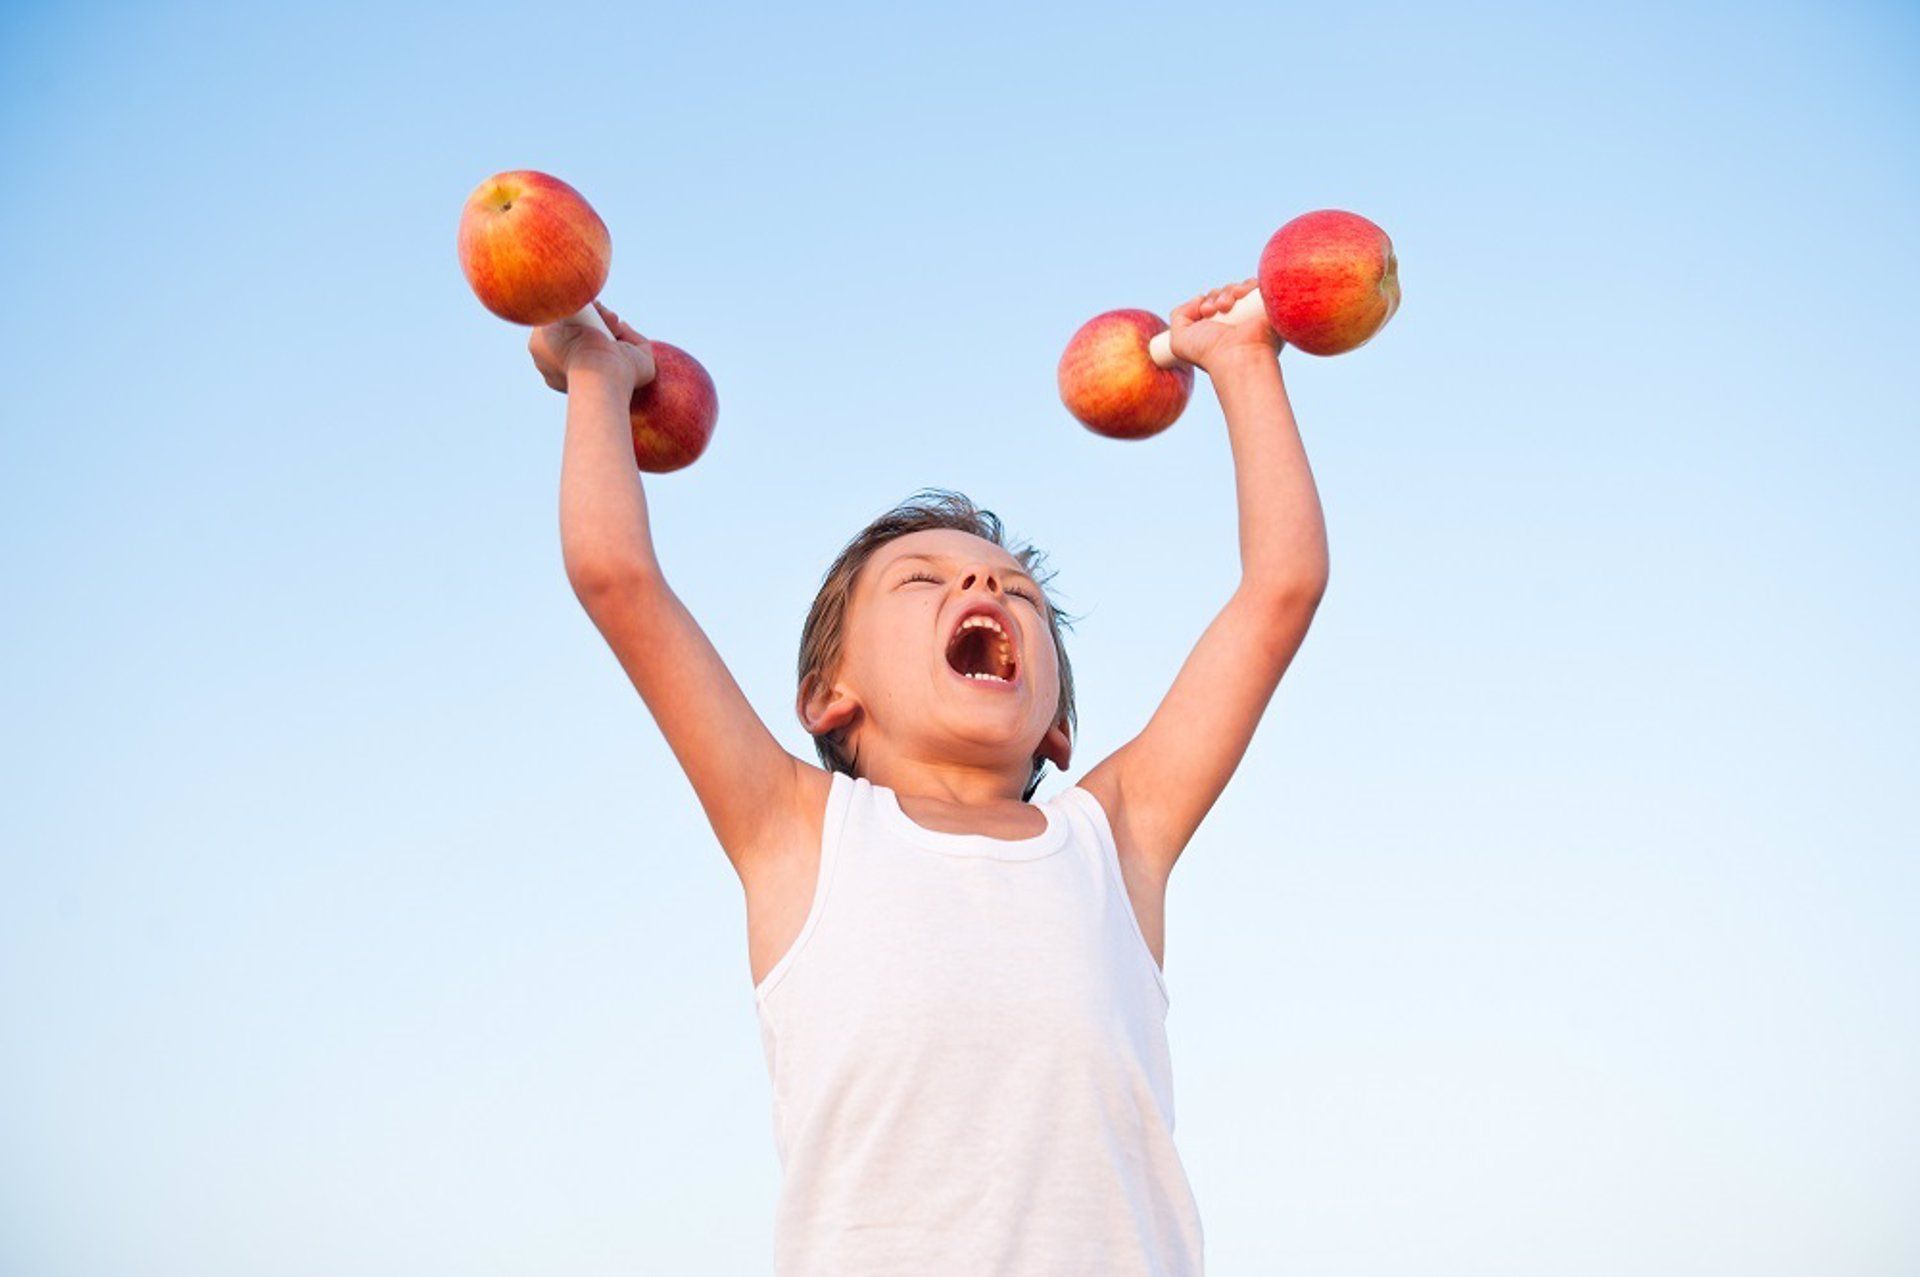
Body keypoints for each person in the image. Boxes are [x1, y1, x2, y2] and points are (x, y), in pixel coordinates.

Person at [527, 279, 1328, 1275]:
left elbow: (1279, 590)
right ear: (828, 696)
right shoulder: (797, 827)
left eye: (1017, 589)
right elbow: (617, 575)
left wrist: (1245, 360)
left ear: (1061, 727)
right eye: (923, 579)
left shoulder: (1115, 836)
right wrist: (600, 376)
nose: (984, 583)